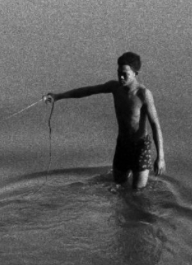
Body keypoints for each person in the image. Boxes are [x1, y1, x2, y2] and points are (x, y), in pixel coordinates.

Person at [44, 51, 165, 188]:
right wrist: (58, 96)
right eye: (119, 72)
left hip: (140, 146)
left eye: (125, 74)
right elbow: (88, 91)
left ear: (136, 73)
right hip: (122, 144)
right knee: (118, 185)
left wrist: (160, 157)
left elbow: (155, 125)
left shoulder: (143, 94)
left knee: (138, 192)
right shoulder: (115, 87)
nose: (120, 77)